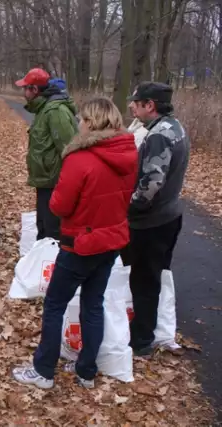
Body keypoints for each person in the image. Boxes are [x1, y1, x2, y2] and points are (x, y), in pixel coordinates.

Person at [12, 97, 138, 389]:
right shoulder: (128, 154)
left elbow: (59, 206)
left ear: (92, 123)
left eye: (82, 118)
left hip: (79, 244)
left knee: (55, 304)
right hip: (111, 242)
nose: (78, 122)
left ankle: (43, 371)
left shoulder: (79, 158)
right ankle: (86, 370)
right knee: (93, 305)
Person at [123, 82, 189, 356]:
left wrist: (130, 208)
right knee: (153, 277)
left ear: (150, 106)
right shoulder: (176, 127)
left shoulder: (158, 136)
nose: (132, 107)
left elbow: (152, 182)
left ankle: (141, 341)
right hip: (170, 215)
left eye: (136, 103)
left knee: (144, 281)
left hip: (151, 222)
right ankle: (146, 331)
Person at [15, 68, 78, 241]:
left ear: (34, 90)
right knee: (43, 229)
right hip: (46, 182)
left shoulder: (54, 111)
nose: (23, 92)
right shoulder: (43, 109)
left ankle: (53, 267)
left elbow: (70, 150)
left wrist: (67, 186)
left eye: (25, 88)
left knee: (53, 233)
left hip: (55, 184)